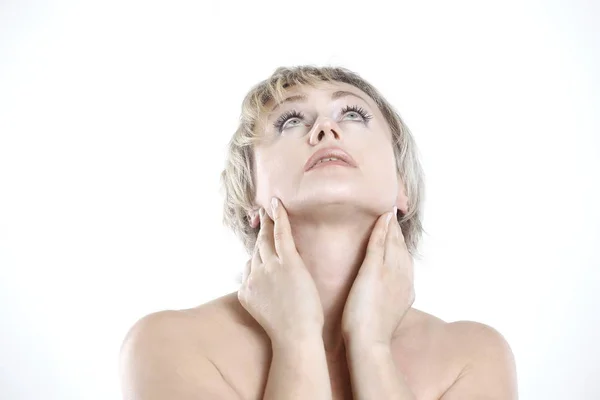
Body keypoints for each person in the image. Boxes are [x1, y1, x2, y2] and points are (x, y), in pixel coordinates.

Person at [119, 65, 518, 399]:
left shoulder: (474, 356)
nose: (326, 128)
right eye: (291, 120)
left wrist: (371, 347)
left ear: (403, 188)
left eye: (352, 114)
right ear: (249, 199)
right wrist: (296, 342)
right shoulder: (169, 345)